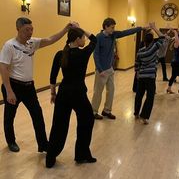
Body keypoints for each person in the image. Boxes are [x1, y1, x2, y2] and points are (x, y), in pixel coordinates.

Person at [0, 17, 73, 153]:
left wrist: (66, 29)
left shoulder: (32, 43)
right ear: (18, 29)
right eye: (27, 30)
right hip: (13, 86)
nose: (30, 32)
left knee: (37, 114)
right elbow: (3, 68)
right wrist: (9, 91)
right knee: (10, 116)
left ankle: (43, 144)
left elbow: (50, 40)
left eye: (31, 29)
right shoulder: (9, 46)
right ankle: (11, 141)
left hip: (28, 87)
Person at [46, 26, 97, 168]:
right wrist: (80, 27)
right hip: (78, 94)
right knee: (87, 120)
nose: (85, 40)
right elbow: (95, 39)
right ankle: (81, 154)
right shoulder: (83, 53)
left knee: (58, 126)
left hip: (63, 93)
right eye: (83, 38)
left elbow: (52, 76)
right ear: (77, 39)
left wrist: (53, 93)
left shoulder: (60, 54)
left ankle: (50, 158)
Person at [91, 17, 147, 120]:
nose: (113, 29)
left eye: (114, 27)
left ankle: (106, 110)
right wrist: (100, 69)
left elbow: (127, 32)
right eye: (112, 27)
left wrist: (141, 28)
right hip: (101, 71)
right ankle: (93, 112)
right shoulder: (98, 37)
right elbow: (96, 55)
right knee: (97, 92)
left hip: (110, 69)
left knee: (111, 91)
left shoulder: (114, 35)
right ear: (106, 27)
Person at [134, 23, 167, 124]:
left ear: (144, 41)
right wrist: (154, 27)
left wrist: (138, 73)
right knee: (150, 97)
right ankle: (144, 116)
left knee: (139, 95)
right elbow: (162, 37)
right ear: (152, 41)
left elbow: (137, 64)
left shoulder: (140, 51)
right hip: (150, 77)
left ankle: (136, 113)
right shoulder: (154, 48)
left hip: (142, 77)